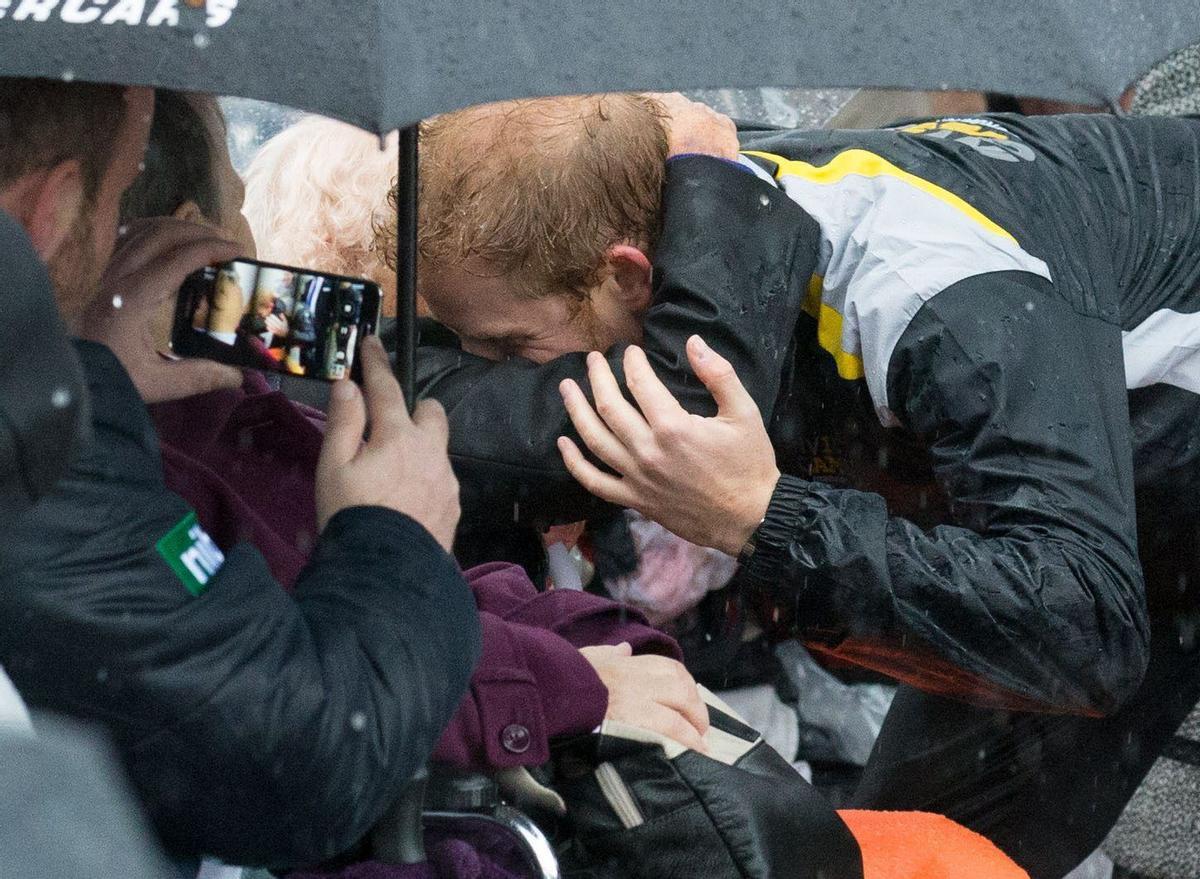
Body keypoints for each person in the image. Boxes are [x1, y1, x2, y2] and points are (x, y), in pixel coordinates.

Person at [394, 94, 1200, 879]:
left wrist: (762, 519)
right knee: (884, 853)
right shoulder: (692, 202)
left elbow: (1089, 629)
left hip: (1130, 517)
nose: (497, 376)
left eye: (507, 348)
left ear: (629, 277)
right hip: (1105, 484)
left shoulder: (922, 292)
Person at [0, 77, 480, 870]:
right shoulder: (30, 473)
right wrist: (394, 538)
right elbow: (298, 756)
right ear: (50, 209)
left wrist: (88, 370)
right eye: (121, 200)